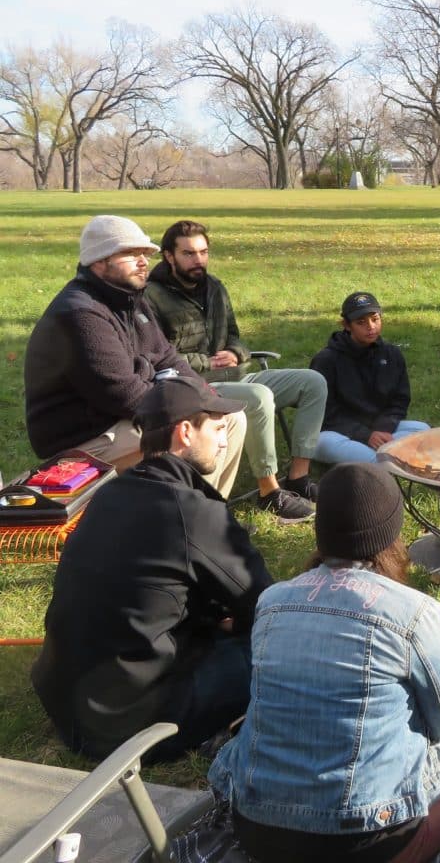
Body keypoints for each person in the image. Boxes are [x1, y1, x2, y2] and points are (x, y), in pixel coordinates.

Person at [208, 462, 440, 863]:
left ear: (321, 530)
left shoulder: (271, 603)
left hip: (257, 830)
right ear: (394, 534)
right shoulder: (415, 612)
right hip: (371, 841)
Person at [32, 376, 273, 762]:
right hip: (129, 725)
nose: (225, 440)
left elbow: (148, 588)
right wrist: (233, 621)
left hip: (67, 704)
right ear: (185, 432)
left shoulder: (108, 493)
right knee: (274, 654)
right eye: (217, 427)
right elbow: (266, 606)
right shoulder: (190, 510)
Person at [24, 214, 245, 498]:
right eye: (131, 253)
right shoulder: (81, 313)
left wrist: (208, 398)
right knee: (192, 433)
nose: (143, 261)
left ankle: (206, 515)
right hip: (86, 440)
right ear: (99, 261)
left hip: (123, 421)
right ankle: (178, 522)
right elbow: (125, 395)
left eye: (145, 253)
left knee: (230, 418)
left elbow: (168, 358)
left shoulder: (132, 302)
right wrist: (192, 409)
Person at [146, 220, 327, 521]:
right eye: (189, 254)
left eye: (203, 252)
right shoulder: (151, 297)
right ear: (169, 256)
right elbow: (158, 357)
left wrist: (235, 352)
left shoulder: (215, 287)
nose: (198, 260)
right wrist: (207, 363)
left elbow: (234, 334)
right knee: (258, 397)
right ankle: (269, 492)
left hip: (236, 375)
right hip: (193, 386)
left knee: (313, 382)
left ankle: (297, 477)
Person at [310, 291, 430, 464]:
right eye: (361, 322)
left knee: (423, 430)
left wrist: (382, 429)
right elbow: (325, 413)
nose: (371, 326)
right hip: (340, 433)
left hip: (380, 429)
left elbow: (400, 400)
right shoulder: (326, 360)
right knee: (322, 443)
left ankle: (382, 457)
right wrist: (365, 435)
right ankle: (386, 461)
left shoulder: (392, 354)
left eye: (375, 319)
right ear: (346, 325)